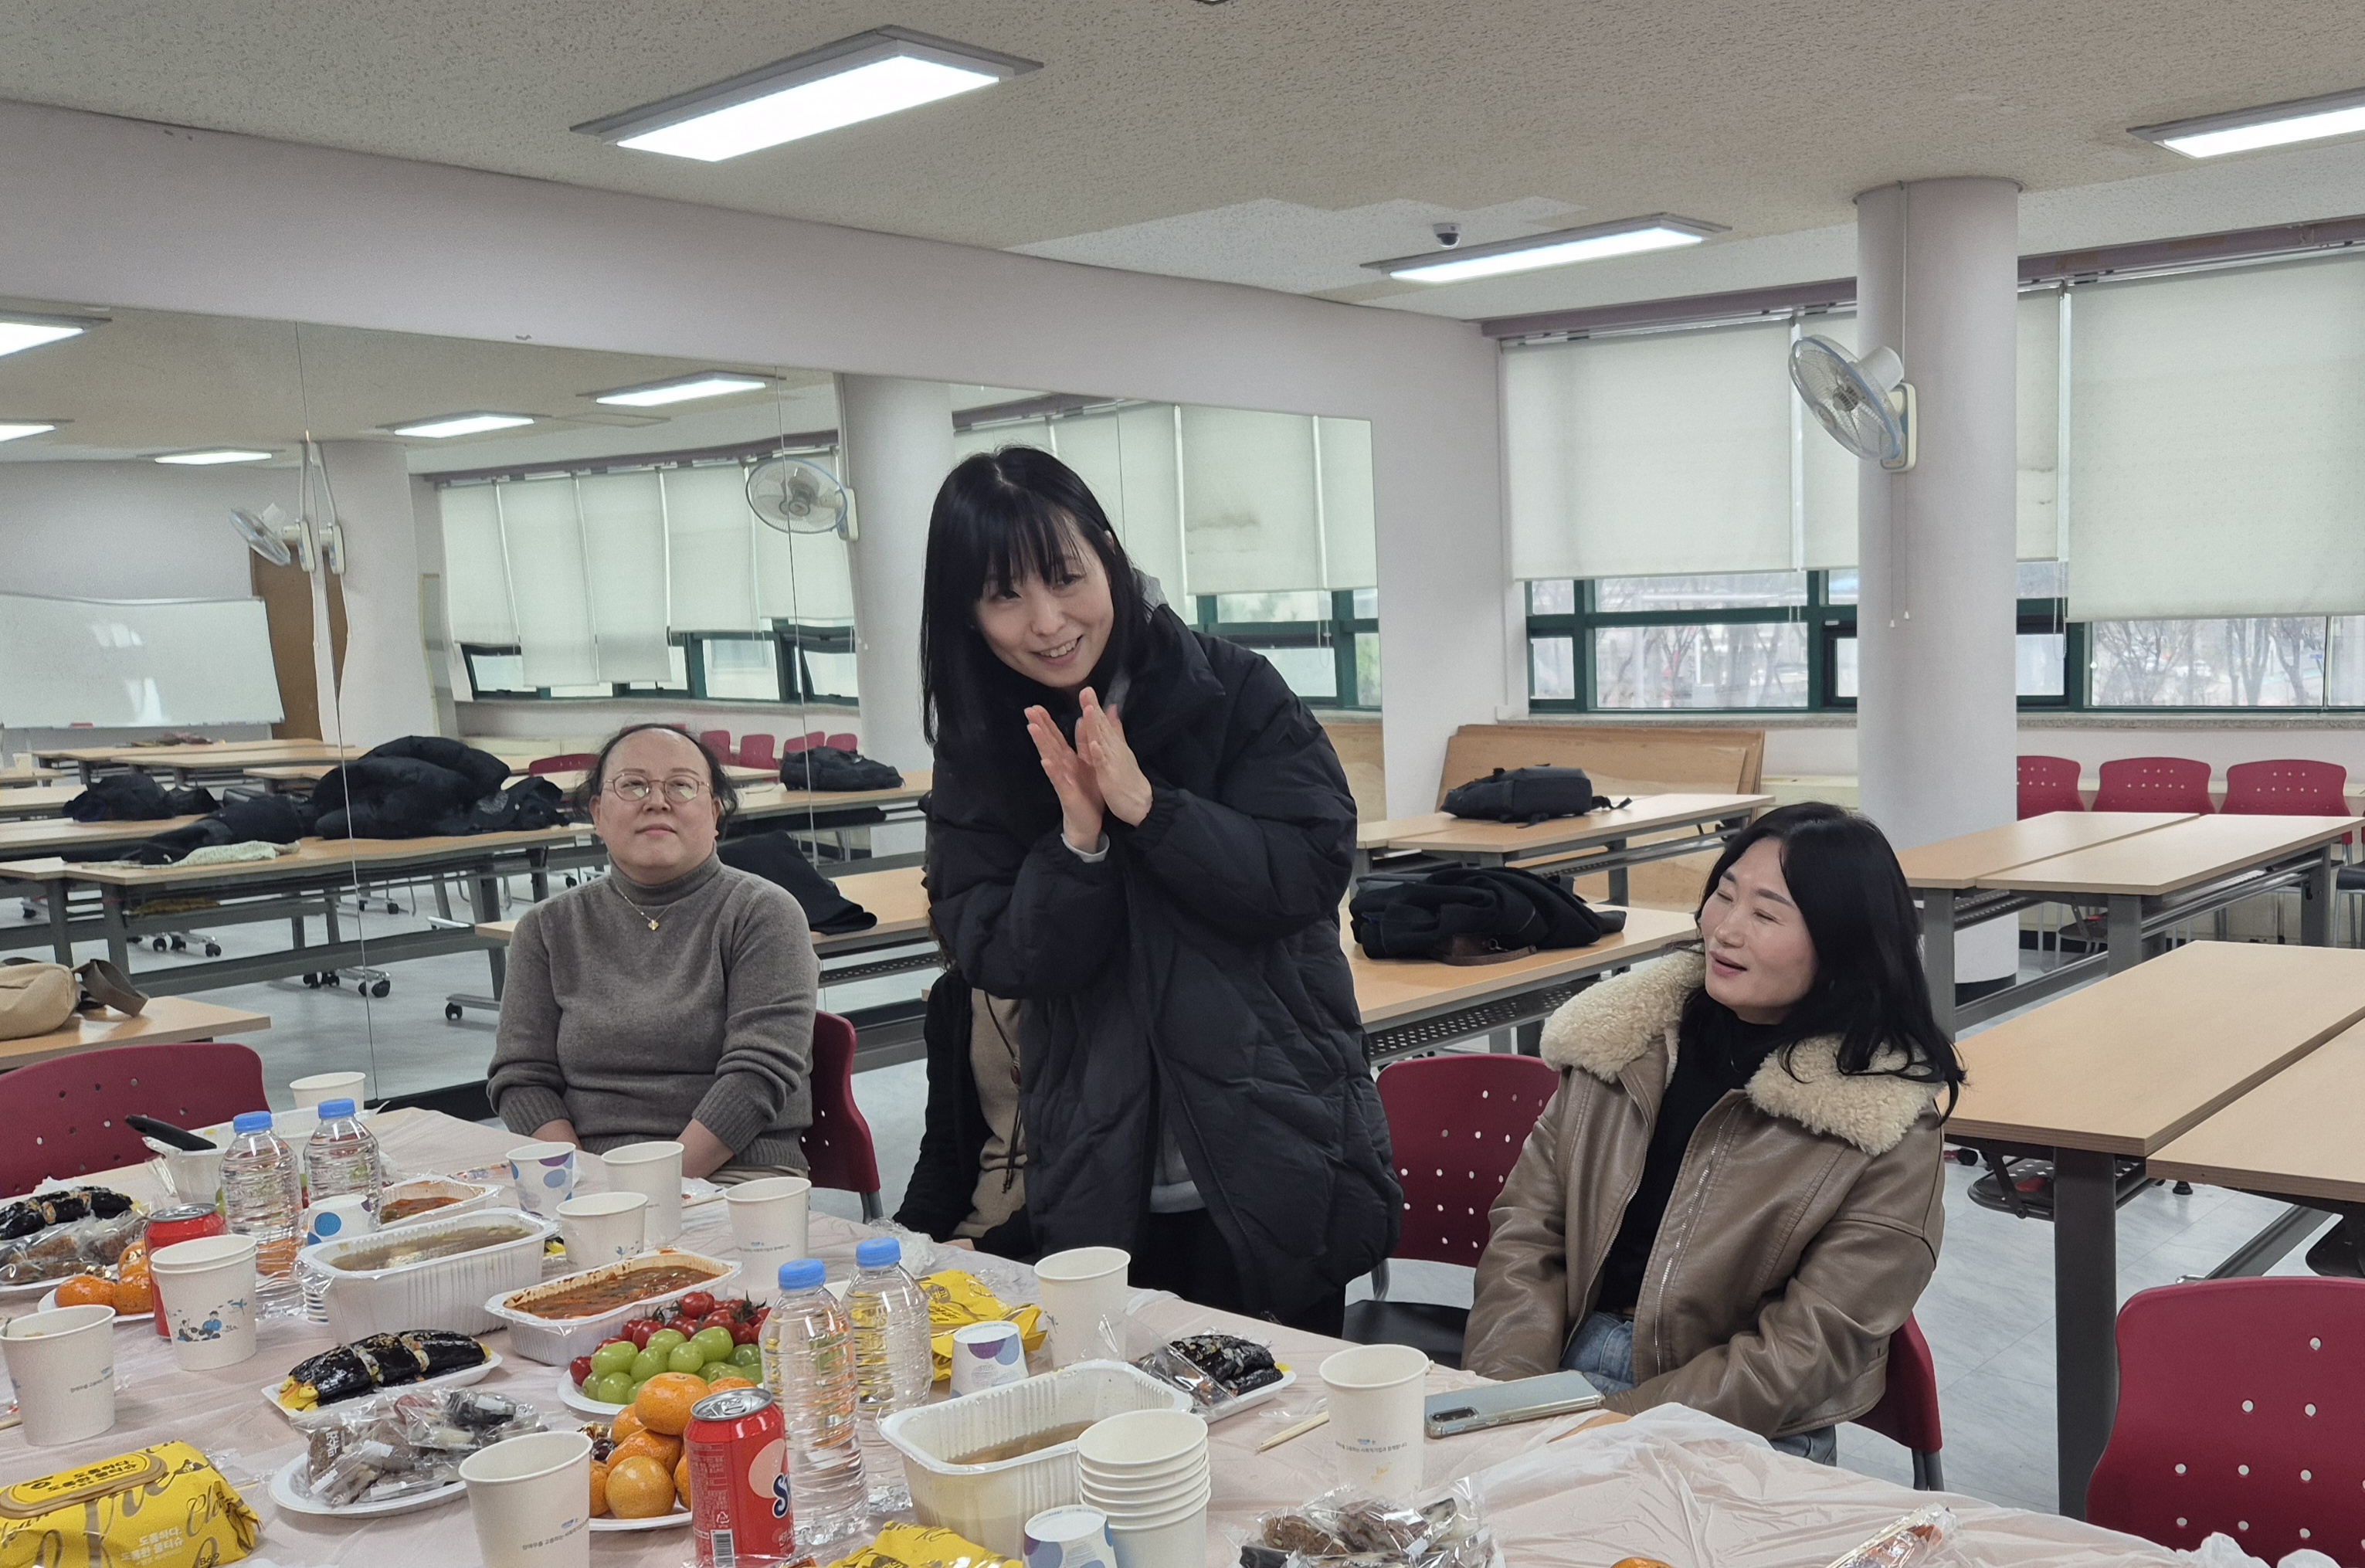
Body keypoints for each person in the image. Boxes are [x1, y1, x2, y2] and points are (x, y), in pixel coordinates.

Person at [920, 446, 1399, 1334]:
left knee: (1291, 1409)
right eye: (1003, 596)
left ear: (1108, 552)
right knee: (1123, 1409)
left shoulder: (1232, 689)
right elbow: (994, 950)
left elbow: (1307, 868)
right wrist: (1078, 843)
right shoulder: (981, 749)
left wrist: (1151, 807)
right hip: (1103, 1177)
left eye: (1066, 577)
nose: (1047, 621)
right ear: (966, 613)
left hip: (1276, 1146)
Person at [1464, 803, 1963, 1461]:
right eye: (1724, 895)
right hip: (1556, 1367)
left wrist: (1610, 1429)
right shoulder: (1622, 1042)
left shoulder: (1880, 1119)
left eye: (1766, 915)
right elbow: (1528, 1231)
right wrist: (1509, 1395)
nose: (1725, 929)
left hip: (1744, 1420)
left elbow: (1812, 1344)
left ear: (1844, 945)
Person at [489, 722, 818, 1182]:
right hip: (584, 1171)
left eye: (681, 786)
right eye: (633, 785)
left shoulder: (762, 913)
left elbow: (756, 1076)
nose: (657, 801)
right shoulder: (547, 928)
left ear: (715, 814)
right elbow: (522, 1077)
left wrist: (650, 1190)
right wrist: (580, 1178)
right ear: (598, 813)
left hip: (733, 1169)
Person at [894, 959, 1035, 1260]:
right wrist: (906, 1237)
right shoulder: (954, 995)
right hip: (972, 1236)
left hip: (1049, 1247)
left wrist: (987, 1249)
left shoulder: (1077, 994)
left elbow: (1085, 1184)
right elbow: (945, 1151)